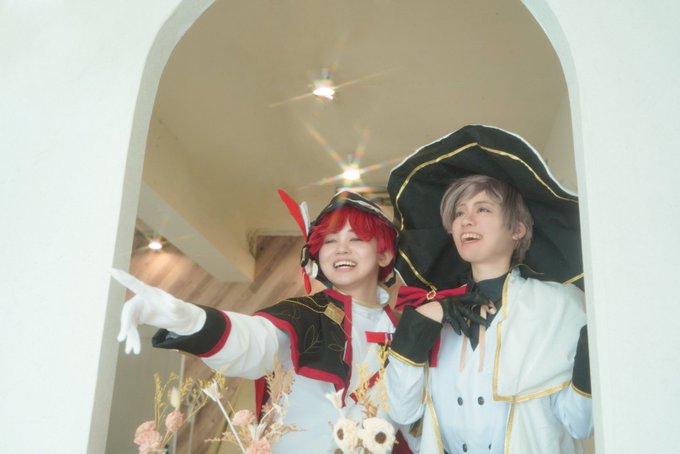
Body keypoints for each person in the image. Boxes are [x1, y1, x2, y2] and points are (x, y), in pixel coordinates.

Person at [113, 190, 416, 453]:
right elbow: (253, 343)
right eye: (330, 240)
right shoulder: (303, 315)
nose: (341, 248)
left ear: (384, 253)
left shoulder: (409, 328)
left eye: (357, 238)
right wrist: (189, 320)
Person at [385, 125, 592, 454]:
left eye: (482, 209)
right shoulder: (431, 313)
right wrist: (423, 320)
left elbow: (579, 423)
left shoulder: (560, 306)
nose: (466, 220)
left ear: (518, 229)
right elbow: (402, 411)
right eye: (459, 212)